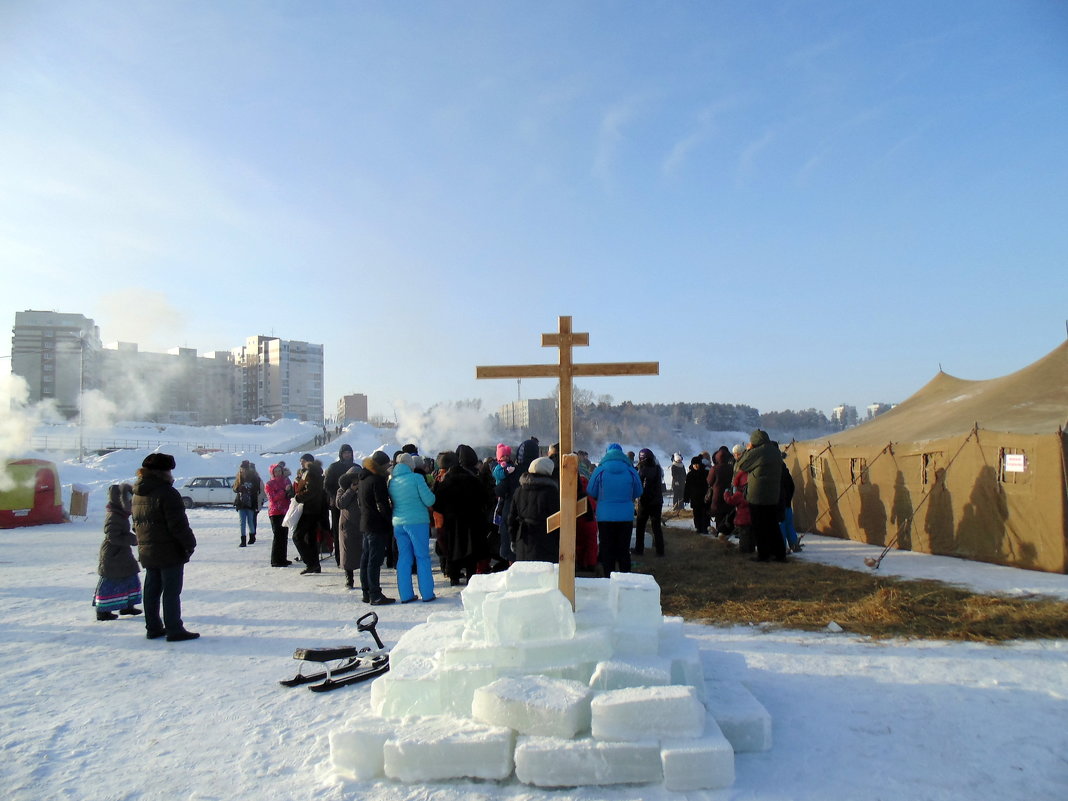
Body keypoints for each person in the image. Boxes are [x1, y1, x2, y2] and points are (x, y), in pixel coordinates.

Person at [132, 452, 199, 641]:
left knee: (152, 590)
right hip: (169, 550)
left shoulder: (138, 492)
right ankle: (174, 629)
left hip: (147, 549)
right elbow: (178, 525)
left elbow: (135, 522)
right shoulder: (167, 493)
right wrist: (189, 544)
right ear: (164, 472)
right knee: (171, 592)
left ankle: (153, 627)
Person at [433, 445, 494, 585]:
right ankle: (471, 577)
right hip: (472, 522)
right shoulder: (473, 479)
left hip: (451, 523)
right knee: (471, 551)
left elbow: (437, 504)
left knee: (452, 551)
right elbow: (486, 498)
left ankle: (454, 577)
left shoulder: (445, 483)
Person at [388, 452, 437, 603]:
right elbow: (429, 500)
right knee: (422, 557)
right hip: (417, 522)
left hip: (398, 523)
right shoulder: (416, 478)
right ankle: (427, 594)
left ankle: (406, 595)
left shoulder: (391, 481)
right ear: (411, 465)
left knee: (404, 558)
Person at [587, 443, 643, 575]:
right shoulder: (630, 470)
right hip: (625, 516)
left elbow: (591, 490)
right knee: (623, 549)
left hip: (605, 516)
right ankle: (625, 577)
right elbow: (639, 491)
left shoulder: (600, 470)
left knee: (607, 548)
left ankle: (608, 576)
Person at [93, 483, 142, 621]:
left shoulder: (120, 514)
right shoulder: (114, 515)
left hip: (122, 552)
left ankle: (127, 606)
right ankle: (102, 610)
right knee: (110, 580)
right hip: (113, 554)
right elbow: (112, 536)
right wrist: (134, 539)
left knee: (130, 577)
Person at [735, 430, 786, 562]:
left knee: (760, 527)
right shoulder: (775, 452)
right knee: (773, 526)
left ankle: (764, 554)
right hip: (773, 495)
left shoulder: (758, 452)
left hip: (758, 495)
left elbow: (741, 465)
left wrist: (748, 450)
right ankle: (780, 554)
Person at [357, 451, 395, 605]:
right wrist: (389, 519)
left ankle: (366, 592)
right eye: (387, 464)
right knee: (374, 560)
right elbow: (382, 505)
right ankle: (375, 594)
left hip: (366, 522)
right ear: (381, 465)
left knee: (366, 559)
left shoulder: (363, 478)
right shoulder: (377, 480)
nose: (388, 467)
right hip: (377, 525)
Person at [508, 456, 561, 562]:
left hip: (523, 539)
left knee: (525, 575)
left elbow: (511, 518)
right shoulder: (552, 492)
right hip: (547, 542)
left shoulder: (519, 490)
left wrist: (513, 539)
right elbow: (559, 520)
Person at [292, 453, 325, 574]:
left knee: (297, 537)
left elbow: (311, 491)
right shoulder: (311, 473)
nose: (301, 463)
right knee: (310, 538)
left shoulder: (311, 473)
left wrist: (298, 497)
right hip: (313, 510)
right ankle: (315, 565)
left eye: (303, 461)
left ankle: (310, 563)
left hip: (309, 510)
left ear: (309, 462)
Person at [324, 444, 356, 567]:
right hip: (339, 503)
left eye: (349, 452)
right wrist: (333, 496)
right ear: (341, 454)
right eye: (345, 453)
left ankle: (354, 558)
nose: (347, 455)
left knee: (354, 531)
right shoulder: (334, 467)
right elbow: (327, 485)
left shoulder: (355, 467)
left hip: (354, 505)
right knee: (339, 531)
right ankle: (340, 558)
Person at [632, 448, 665, 556]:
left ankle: (639, 549)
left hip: (645, 502)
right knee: (656, 527)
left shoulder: (642, 470)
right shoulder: (658, 469)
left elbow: (638, 485)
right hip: (657, 501)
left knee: (640, 527)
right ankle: (660, 551)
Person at [335, 465, 364, 589]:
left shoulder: (364, 488)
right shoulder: (342, 490)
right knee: (347, 553)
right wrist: (351, 491)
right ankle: (349, 578)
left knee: (364, 553)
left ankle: (365, 578)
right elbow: (340, 504)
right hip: (347, 525)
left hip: (362, 524)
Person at [263, 462, 293, 566]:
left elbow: (290, 493)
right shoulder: (269, 484)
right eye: (275, 472)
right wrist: (283, 491)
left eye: (279, 471)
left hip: (285, 510)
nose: (278, 473)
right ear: (272, 473)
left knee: (284, 535)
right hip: (275, 512)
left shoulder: (286, 480)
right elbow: (272, 498)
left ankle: (283, 558)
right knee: (278, 535)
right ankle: (275, 560)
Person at [232, 460, 262, 547]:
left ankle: (252, 536)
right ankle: (243, 540)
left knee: (250, 521)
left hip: (250, 502)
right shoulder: (238, 477)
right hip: (241, 502)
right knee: (242, 522)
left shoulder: (253, 477)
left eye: (244, 469)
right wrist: (239, 488)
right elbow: (234, 488)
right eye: (241, 469)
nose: (243, 471)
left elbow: (257, 489)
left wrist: (249, 489)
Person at [707, 446, 734, 538]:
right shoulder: (731, 467)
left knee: (719, 514)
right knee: (728, 513)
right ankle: (726, 532)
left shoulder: (714, 469)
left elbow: (709, 481)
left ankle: (719, 532)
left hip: (717, 493)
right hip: (729, 492)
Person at [683, 455, 711, 534]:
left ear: (700, 464)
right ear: (692, 465)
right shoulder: (690, 475)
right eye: (694, 464)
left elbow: (709, 485)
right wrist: (686, 497)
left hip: (705, 498)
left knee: (705, 514)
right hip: (694, 498)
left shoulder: (706, 473)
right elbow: (687, 487)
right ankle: (698, 528)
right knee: (697, 514)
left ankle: (705, 529)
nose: (696, 466)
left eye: (697, 464)